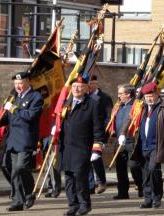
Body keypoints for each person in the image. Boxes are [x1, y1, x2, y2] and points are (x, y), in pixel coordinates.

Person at [120, 82, 164, 209]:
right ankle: (147, 199)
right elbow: (129, 120)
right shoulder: (140, 107)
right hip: (142, 145)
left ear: (157, 94)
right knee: (143, 172)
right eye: (146, 97)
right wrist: (122, 134)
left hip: (157, 146)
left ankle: (157, 197)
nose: (149, 99)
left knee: (153, 170)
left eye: (151, 96)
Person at [0, 71, 43, 211]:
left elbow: (30, 116)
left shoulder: (36, 97)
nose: (18, 86)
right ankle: (18, 201)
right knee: (8, 168)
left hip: (26, 139)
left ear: (28, 82)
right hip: (13, 140)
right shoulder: (14, 97)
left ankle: (29, 192)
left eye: (20, 83)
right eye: (15, 84)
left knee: (20, 168)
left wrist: (14, 109)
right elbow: (8, 117)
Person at [58, 75, 105, 216]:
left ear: (86, 88)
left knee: (80, 176)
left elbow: (98, 128)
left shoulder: (93, 104)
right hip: (67, 146)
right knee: (69, 178)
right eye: (74, 87)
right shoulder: (67, 103)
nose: (76, 89)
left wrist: (97, 148)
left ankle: (85, 204)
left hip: (83, 146)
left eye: (80, 86)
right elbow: (61, 121)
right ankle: (73, 204)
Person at [113, 84, 143, 199]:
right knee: (120, 167)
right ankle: (123, 192)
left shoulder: (136, 106)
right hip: (119, 141)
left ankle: (141, 186)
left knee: (134, 166)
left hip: (131, 140)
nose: (118, 96)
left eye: (121, 93)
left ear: (128, 94)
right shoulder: (119, 106)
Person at [87, 75, 113, 194]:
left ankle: (101, 181)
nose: (89, 86)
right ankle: (90, 185)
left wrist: (104, 133)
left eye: (92, 83)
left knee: (96, 158)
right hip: (86, 133)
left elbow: (109, 117)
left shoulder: (104, 98)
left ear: (96, 83)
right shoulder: (85, 98)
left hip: (99, 133)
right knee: (87, 158)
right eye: (88, 83)